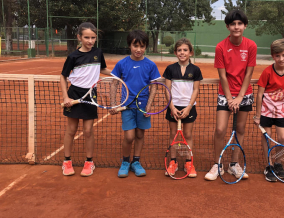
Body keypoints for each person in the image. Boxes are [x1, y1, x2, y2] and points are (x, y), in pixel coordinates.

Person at [204, 9, 257, 181]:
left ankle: (234, 165)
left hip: (245, 94)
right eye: (233, 24)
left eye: (239, 23)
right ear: (227, 26)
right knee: (220, 129)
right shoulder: (221, 47)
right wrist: (229, 99)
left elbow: (248, 75)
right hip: (225, 94)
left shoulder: (251, 46)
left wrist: (240, 98)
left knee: (240, 129)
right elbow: (222, 75)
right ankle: (217, 164)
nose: (236, 27)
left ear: (245, 25)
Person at [60, 22, 112, 176]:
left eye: (93, 38)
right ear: (79, 37)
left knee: (88, 131)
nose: (90, 41)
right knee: (71, 130)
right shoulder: (73, 56)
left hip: (90, 95)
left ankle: (89, 162)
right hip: (74, 94)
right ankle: (67, 161)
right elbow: (63, 77)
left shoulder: (98, 52)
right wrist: (66, 96)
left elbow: (102, 69)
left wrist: (116, 74)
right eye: (87, 37)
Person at [110, 30, 161, 178]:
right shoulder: (122, 63)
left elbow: (154, 86)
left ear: (146, 47)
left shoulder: (150, 65)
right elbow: (114, 84)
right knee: (129, 137)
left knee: (139, 134)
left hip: (143, 107)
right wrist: (113, 104)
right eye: (135, 45)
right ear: (130, 45)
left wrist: (149, 105)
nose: (138, 49)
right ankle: (125, 162)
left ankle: (136, 162)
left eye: (142, 46)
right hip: (126, 106)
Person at [253, 38, 284, 182]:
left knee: (283, 138)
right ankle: (269, 165)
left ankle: (278, 163)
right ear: (273, 56)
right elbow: (260, 94)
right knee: (267, 137)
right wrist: (257, 114)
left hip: (281, 110)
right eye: (277, 56)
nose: (281, 59)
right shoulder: (267, 72)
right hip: (266, 110)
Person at [164, 38, 203, 178]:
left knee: (187, 135)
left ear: (190, 52)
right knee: (173, 135)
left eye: (185, 50)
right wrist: (172, 108)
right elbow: (166, 90)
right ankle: (173, 163)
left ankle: (188, 163)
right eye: (179, 50)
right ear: (175, 53)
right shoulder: (170, 69)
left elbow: (196, 90)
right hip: (173, 107)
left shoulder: (195, 70)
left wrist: (188, 108)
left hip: (189, 107)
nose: (182, 52)